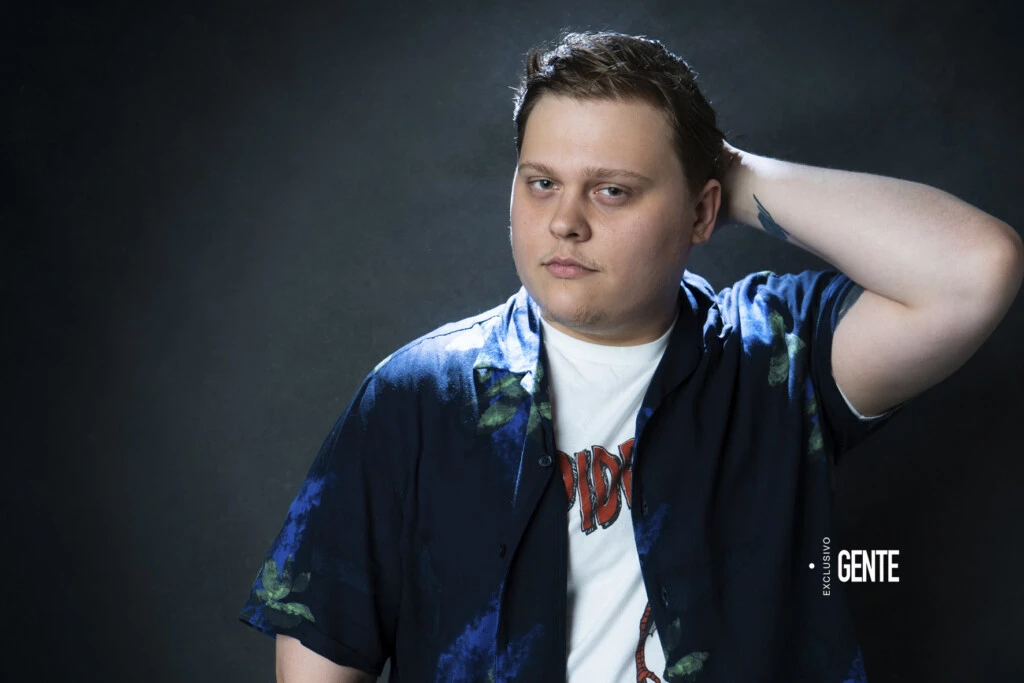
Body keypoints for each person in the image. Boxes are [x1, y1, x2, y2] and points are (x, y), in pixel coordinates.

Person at [238, 30, 1023, 683]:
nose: (565, 221)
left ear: (701, 211)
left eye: (612, 190)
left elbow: (975, 271)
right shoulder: (417, 397)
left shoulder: (778, 358)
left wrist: (729, 173)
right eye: (541, 183)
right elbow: (318, 658)